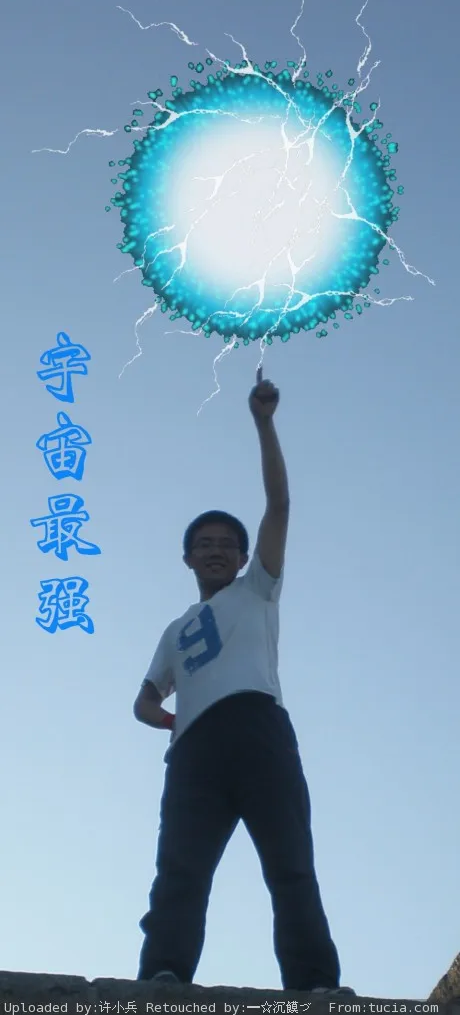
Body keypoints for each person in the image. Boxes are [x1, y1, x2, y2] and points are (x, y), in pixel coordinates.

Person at [133, 366, 354, 994]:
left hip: (260, 731)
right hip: (193, 751)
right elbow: (143, 701)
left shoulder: (258, 589)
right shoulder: (175, 629)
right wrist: (175, 720)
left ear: (241, 556)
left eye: (227, 543)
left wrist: (263, 423)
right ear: (188, 557)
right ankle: (162, 977)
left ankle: (313, 984)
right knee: (180, 873)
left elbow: (279, 506)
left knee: (290, 865)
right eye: (203, 543)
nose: (215, 550)